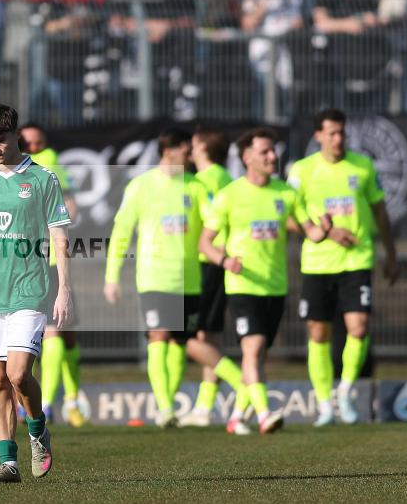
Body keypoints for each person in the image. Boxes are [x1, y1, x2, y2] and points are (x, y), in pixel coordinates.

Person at [104, 130, 250, 431]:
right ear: (169, 151)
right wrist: (112, 277)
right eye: (186, 152)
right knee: (158, 336)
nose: (191, 157)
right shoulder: (140, 186)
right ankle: (166, 406)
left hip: (190, 279)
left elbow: (215, 222)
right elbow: (121, 233)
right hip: (154, 277)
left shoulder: (196, 187)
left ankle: (168, 405)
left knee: (181, 344)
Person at [0, 104, 70, 483]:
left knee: (19, 374)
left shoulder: (42, 180)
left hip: (29, 289)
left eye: (0, 140)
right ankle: (8, 462)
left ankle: (37, 429)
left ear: (15, 135)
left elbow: (59, 234)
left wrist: (64, 289)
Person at [200, 128, 330, 435]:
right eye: (265, 152)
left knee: (256, 357)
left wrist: (324, 229)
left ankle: (236, 416)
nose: (273, 156)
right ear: (247, 158)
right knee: (254, 349)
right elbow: (205, 243)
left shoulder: (286, 194)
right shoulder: (229, 195)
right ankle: (263, 414)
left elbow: (310, 232)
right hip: (243, 286)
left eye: (273, 151)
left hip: (275, 287)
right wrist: (224, 260)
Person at [287, 109, 399, 426]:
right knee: (318, 332)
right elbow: (287, 214)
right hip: (318, 262)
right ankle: (324, 404)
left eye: (342, 132)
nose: (338, 138)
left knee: (359, 328)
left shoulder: (362, 166)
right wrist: (323, 231)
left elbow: (379, 211)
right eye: (332, 133)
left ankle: (345, 392)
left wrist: (391, 254)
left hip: (357, 259)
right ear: (318, 135)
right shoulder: (302, 171)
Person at [178, 128, 248, 428]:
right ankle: (205, 408)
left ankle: (241, 381)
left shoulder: (205, 181)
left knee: (187, 338)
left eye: (194, 145)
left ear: (204, 147)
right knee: (210, 336)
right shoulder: (228, 180)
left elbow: (208, 222)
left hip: (206, 264)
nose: (190, 151)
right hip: (220, 264)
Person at [19, 122, 85, 427]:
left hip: (49, 261)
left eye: (39, 143)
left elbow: (70, 204)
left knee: (60, 332)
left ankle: (53, 402)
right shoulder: (10, 170)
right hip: (23, 264)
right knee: (53, 334)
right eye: (28, 144)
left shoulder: (50, 163)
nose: (35, 149)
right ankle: (62, 400)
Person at [240, 0, 304, 120]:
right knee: (264, 92)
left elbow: (299, 23)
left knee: (286, 92)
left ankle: (285, 128)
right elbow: (248, 24)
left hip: (285, 52)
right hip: (262, 53)